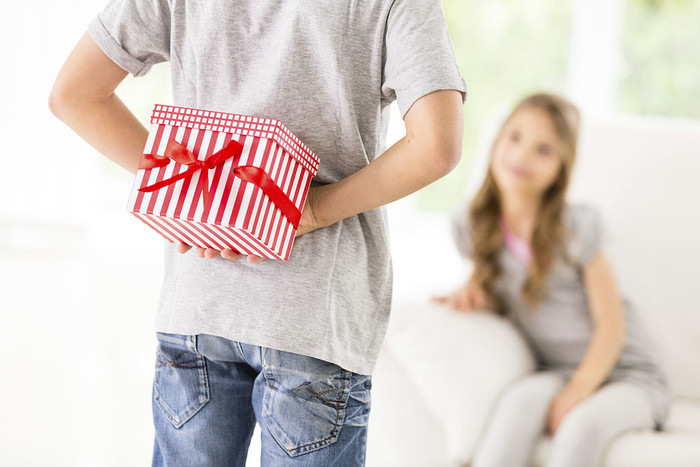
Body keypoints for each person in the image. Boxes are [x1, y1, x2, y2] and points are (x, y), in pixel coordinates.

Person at [49, 0, 467, 465]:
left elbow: (73, 95)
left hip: (197, 306)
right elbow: (435, 146)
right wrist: (316, 208)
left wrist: (189, 189)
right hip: (311, 315)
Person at [433, 93, 671, 467]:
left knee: (581, 428)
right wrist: (476, 296)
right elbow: (502, 294)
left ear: (561, 169)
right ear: (496, 142)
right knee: (517, 406)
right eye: (514, 137)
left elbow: (612, 328)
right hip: (557, 371)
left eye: (543, 149)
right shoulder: (471, 226)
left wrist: (578, 390)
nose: (522, 155)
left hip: (629, 376)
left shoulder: (578, 226)